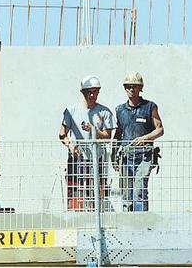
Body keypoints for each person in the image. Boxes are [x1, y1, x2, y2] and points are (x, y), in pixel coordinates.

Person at [59, 75, 117, 211]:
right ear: (83, 92)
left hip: (97, 159)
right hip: (76, 159)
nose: (92, 95)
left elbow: (108, 136)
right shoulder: (71, 110)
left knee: (95, 193)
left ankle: (95, 216)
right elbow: (62, 134)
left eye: (95, 92)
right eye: (89, 92)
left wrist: (94, 130)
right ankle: (75, 218)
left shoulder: (104, 112)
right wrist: (70, 146)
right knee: (75, 192)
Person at [113, 72, 164, 212]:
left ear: (140, 88)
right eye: (128, 86)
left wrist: (144, 138)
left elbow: (159, 130)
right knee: (126, 194)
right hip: (126, 157)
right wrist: (113, 155)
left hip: (144, 156)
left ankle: (141, 222)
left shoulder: (149, 107)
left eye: (134, 86)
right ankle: (127, 221)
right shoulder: (120, 110)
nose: (131, 89)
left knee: (139, 192)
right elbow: (118, 134)